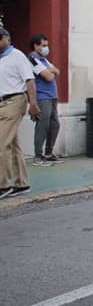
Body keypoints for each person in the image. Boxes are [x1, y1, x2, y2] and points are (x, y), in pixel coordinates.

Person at [0, 27, 41, 199]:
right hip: (3, 103)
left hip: (15, 101)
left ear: (5, 39)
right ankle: (21, 183)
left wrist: (33, 104)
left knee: (1, 144)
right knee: (12, 144)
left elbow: (29, 81)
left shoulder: (17, 56)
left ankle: (4, 185)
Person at [28, 34, 63, 166]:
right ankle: (38, 156)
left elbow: (57, 72)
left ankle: (49, 153)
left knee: (55, 124)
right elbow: (49, 76)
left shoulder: (43, 59)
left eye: (47, 45)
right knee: (43, 125)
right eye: (43, 45)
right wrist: (51, 71)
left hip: (52, 96)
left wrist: (50, 71)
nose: (46, 48)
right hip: (42, 97)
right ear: (35, 46)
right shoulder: (32, 59)